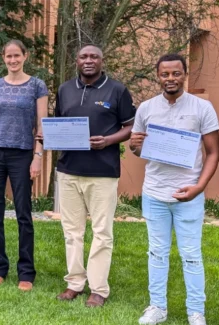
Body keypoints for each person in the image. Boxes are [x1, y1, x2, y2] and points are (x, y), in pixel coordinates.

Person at [129, 54, 219, 325]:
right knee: (156, 253)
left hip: (188, 192)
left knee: (191, 255)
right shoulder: (146, 108)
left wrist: (199, 187)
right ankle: (158, 306)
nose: (171, 79)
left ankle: (196, 312)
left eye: (176, 73)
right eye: (165, 74)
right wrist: (133, 146)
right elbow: (138, 148)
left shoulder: (202, 108)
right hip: (154, 190)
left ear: (184, 75)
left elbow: (213, 152)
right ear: (158, 76)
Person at [53, 44, 135, 307]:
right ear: (76, 61)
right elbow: (58, 124)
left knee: (102, 232)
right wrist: (48, 136)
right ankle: (75, 282)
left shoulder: (117, 90)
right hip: (68, 171)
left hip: (102, 172)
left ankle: (98, 288)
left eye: (94, 57)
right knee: (71, 231)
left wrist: (109, 140)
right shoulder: (65, 89)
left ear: (102, 61)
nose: (88, 61)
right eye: (83, 57)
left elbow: (131, 127)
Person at [0, 40, 47, 291]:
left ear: (25, 56)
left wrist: (37, 156)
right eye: (9, 56)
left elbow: (42, 125)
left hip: (22, 155)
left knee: (23, 214)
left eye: (17, 55)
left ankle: (26, 272)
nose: (13, 60)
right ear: (3, 58)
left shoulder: (37, 85)